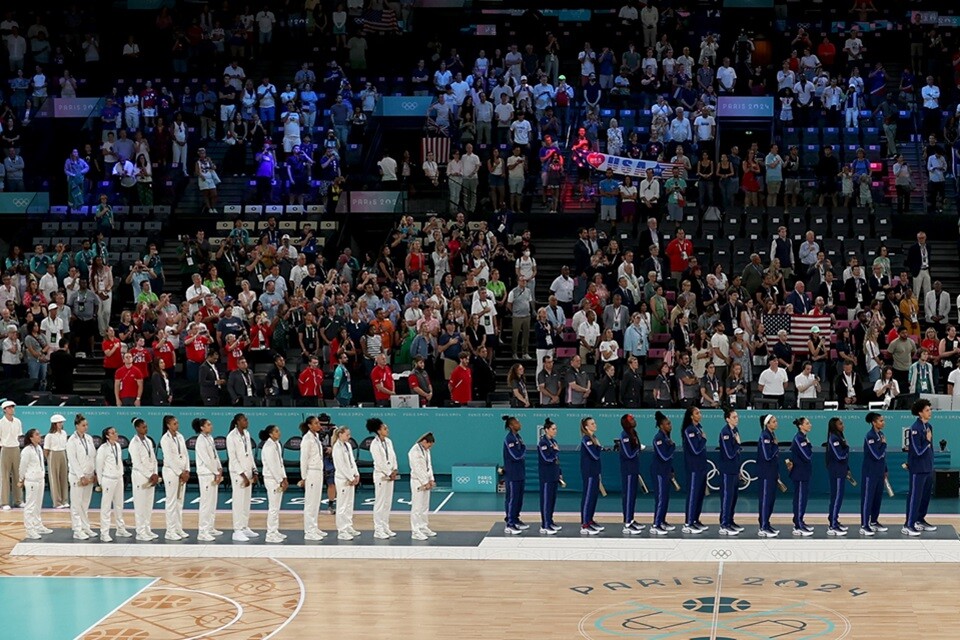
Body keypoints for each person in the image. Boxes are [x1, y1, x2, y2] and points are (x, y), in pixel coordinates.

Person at [903, 398, 936, 536]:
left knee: (925, 496)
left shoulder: (929, 427)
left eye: (930, 410)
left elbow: (930, 449)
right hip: (918, 468)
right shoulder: (915, 429)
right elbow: (917, 451)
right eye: (927, 410)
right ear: (920, 413)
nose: (930, 413)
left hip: (928, 467)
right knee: (915, 496)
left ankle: (919, 519)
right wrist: (927, 440)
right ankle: (908, 524)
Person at [226, 413, 259, 541]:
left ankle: (245, 526)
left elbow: (249, 454)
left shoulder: (247, 434)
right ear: (238, 422)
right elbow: (233, 458)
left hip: (248, 471)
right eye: (244, 420)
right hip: (238, 473)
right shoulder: (231, 437)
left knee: (246, 501)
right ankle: (237, 530)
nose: (247, 421)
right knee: (238, 501)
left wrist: (254, 471)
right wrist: (243, 475)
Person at [95, 427, 130, 541]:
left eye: (116, 432)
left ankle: (120, 529)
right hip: (108, 479)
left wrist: (121, 474)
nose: (116, 434)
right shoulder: (103, 449)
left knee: (119, 504)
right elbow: (99, 466)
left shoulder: (118, 446)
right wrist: (100, 483)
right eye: (113, 433)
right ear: (107, 436)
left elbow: (118, 461)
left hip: (118, 478)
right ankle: (104, 532)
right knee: (106, 507)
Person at [192, 417, 224, 542]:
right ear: (202, 427)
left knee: (212, 502)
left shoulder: (210, 438)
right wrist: (216, 472)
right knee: (205, 503)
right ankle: (202, 531)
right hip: (205, 474)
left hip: (213, 473)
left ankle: (210, 527)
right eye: (208, 424)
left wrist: (220, 468)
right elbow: (206, 459)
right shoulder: (200, 441)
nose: (211, 426)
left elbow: (215, 455)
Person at [297, 416, 328, 540]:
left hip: (318, 471)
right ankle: (309, 531)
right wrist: (304, 477)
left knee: (316, 501)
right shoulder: (306, 439)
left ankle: (314, 527)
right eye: (316, 423)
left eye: (319, 423)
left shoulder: (316, 437)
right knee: (310, 503)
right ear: (309, 425)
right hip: (311, 472)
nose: (319, 425)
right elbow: (303, 459)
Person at [128, 417, 159, 542]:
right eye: (143, 427)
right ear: (137, 428)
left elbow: (153, 458)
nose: (146, 429)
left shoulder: (148, 441)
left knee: (148, 504)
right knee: (140, 505)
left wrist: (155, 473)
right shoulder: (133, 444)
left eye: (146, 426)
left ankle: (147, 528)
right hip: (140, 476)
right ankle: (140, 532)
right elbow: (137, 463)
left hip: (151, 475)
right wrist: (149, 474)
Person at [66, 414, 97, 539]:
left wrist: (93, 472)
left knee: (85, 503)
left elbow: (93, 456)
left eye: (87, 425)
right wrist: (81, 476)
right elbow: (73, 460)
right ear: (77, 426)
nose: (86, 427)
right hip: (77, 477)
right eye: (83, 425)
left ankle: (85, 527)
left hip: (89, 475)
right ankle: (77, 530)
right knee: (76, 503)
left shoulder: (89, 438)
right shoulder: (71, 441)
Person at [367, 418, 399, 539]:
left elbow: (393, 456)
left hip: (390, 475)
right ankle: (378, 529)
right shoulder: (374, 445)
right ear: (379, 431)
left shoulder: (389, 442)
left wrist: (395, 469)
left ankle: (385, 526)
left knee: (387, 502)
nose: (387, 430)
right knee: (380, 503)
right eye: (385, 428)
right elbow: (379, 462)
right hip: (381, 476)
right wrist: (388, 472)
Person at [160, 415, 190, 540]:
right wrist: (180, 472)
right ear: (168, 425)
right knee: (171, 501)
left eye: (177, 423)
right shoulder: (165, 439)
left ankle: (178, 528)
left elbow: (185, 454)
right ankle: (170, 531)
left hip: (182, 471)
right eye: (174, 423)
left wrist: (187, 470)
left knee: (179, 502)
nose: (177, 425)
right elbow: (169, 459)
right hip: (171, 472)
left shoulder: (180, 436)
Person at [18, 428, 50, 539]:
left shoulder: (39, 449)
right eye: (37, 434)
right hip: (31, 481)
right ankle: (29, 530)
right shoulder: (26, 451)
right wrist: (21, 479)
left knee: (37, 505)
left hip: (40, 480)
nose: (39, 436)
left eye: (39, 434)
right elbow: (22, 466)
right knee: (30, 506)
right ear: (31, 438)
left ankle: (37, 525)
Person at [860, 412, 889, 537]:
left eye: (883, 420)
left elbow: (883, 457)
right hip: (870, 473)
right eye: (881, 421)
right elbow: (876, 455)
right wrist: (884, 444)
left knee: (877, 498)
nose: (883, 423)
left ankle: (874, 521)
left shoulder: (881, 434)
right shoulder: (870, 436)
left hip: (879, 472)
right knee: (868, 499)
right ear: (874, 422)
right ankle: (864, 525)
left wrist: (885, 469)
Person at [681, 406, 708, 534]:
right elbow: (695, 449)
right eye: (697, 413)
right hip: (693, 467)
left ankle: (695, 519)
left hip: (701, 466)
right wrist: (703, 439)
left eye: (700, 412)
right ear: (691, 416)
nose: (700, 414)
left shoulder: (699, 428)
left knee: (700, 494)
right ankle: (688, 522)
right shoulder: (689, 430)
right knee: (692, 494)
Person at [717, 408, 744, 536]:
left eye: (737, 416)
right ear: (727, 419)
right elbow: (729, 453)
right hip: (727, 470)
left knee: (733, 497)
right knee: (727, 497)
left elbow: (737, 455)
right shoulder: (725, 432)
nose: (736, 419)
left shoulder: (735, 430)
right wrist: (737, 444)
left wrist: (739, 470)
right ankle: (724, 524)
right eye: (734, 417)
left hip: (734, 469)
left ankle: (730, 521)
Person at [259, 424, 287, 544]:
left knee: (276, 507)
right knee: (273, 508)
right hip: (272, 479)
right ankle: (270, 534)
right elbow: (272, 465)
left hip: (278, 478)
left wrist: (284, 477)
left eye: (279, 430)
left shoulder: (277, 444)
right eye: (276, 431)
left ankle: (275, 530)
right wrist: (280, 480)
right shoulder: (269, 446)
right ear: (270, 434)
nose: (279, 432)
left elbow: (280, 463)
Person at [618, 414, 645, 534]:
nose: (634, 421)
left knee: (633, 495)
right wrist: (638, 449)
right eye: (631, 420)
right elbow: (628, 454)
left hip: (634, 468)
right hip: (628, 470)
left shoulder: (634, 433)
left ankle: (631, 519)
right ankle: (627, 523)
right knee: (628, 495)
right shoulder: (624, 435)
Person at [650, 411, 676, 535]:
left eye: (670, 423)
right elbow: (664, 456)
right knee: (660, 498)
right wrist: (672, 447)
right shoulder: (658, 438)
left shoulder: (667, 437)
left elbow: (668, 459)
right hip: (659, 472)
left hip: (665, 471)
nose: (670, 426)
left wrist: (671, 470)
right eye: (667, 424)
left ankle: (662, 521)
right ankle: (655, 524)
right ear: (661, 426)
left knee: (665, 498)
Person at [332, 425, 361, 540]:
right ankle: (342, 530)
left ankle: (348, 526)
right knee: (342, 505)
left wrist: (356, 474)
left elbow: (351, 462)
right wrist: (350, 477)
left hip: (351, 478)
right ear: (340, 434)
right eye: (347, 434)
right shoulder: (336, 448)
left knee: (349, 504)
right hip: (342, 479)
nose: (349, 436)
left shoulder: (348, 445)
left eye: (349, 434)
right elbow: (341, 465)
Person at [788, 416, 814, 536]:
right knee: (799, 499)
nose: (810, 425)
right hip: (799, 474)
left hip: (804, 473)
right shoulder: (799, 439)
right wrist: (808, 446)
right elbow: (807, 456)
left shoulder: (804, 438)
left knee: (803, 499)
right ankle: (797, 525)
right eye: (807, 423)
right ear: (800, 426)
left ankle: (800, 521)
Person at [756, 414, 781, 537]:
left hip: (772, 472)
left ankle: (767, 523)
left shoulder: (771, 435)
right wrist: (776, 446)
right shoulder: (765, 436)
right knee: (765, 500)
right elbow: (767, 456)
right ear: (767, 424)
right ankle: (763, 526)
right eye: (774, 421)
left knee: (771, 500)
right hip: (765, 473)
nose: (776, 423)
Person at [409, 432, 437, 540]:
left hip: (426, 482)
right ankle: (415, 531)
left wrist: (431, 479)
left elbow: (428, 466)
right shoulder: (414, 451)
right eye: (429, 445)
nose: (429, 448)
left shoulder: (426, 450)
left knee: (425, 506)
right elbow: (417, 468)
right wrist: (425, 482)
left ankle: (423, 526)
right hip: (417, 481)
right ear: (424, 442)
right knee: (417, 507)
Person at [536, 419, 562, 536]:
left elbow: (556, 460)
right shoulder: (543, 443)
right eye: (553, 429)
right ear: (546, 430)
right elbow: (547, 458)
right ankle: (545, 525)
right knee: (546, 501)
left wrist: (559, 472)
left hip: (554, 474)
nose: (555, 431)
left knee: (552, 500)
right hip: (546, 476)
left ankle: (550, 521)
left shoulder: (553, 441)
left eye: (556, 429)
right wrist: (555, 451)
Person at [825, 416, 850, 536]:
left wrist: (847, 468)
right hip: (836, 471)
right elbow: (840, 456)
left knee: (838, 497)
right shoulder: (834, 438)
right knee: (836, 497)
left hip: (841, 470)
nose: (843, 425)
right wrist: (847, 449)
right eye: (840, 424)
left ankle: (834, 519)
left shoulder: (840, 436)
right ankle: (832, 525)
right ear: (835, 426)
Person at [502, 415, 527, 534]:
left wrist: (522, 449)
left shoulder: (518, 437)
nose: (520, 423)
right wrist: (523, 450)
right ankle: (510, 524)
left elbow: (522, 450)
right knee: (512, 498)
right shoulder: (509, 439)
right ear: (511, 426)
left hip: (520, 472)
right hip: (512, 474)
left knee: (518, 498)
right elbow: (516, 455)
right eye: (517, 422)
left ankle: (516, 519)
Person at [579, 417, 604, 535]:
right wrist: (599, 447)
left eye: (595, 423)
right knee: (588, 497)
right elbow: (595, 455)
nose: (595, 425)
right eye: (592, 424)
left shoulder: (594, 438)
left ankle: (590, 520)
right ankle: (584, 524)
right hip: (588, 472)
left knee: (594, 497)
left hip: (594, 471)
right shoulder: (586, 439)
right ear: (586, 427)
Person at [0, 400, 23, 510]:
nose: (12, 409)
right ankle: (4, 502)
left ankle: (18, 500)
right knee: (4, 476)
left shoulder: (18, 421)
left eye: (13, 407)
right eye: (9, 407)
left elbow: (19, 436)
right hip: (5, 448)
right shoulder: (1, 423)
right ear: (4, 410)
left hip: (16, 448)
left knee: (17, 475)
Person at [43, 414, 69, 510]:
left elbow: (65, 446)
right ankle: (57, 502)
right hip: (53, 454)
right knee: (54, 479)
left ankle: (65, 500)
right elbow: (46, 450)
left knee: (64, 478)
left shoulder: (64, 433)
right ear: (54, 424)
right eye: (59, 422)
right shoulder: (49, 436)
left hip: (63, 453)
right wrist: (49, 459)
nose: (61, 424)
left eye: (61, 422)